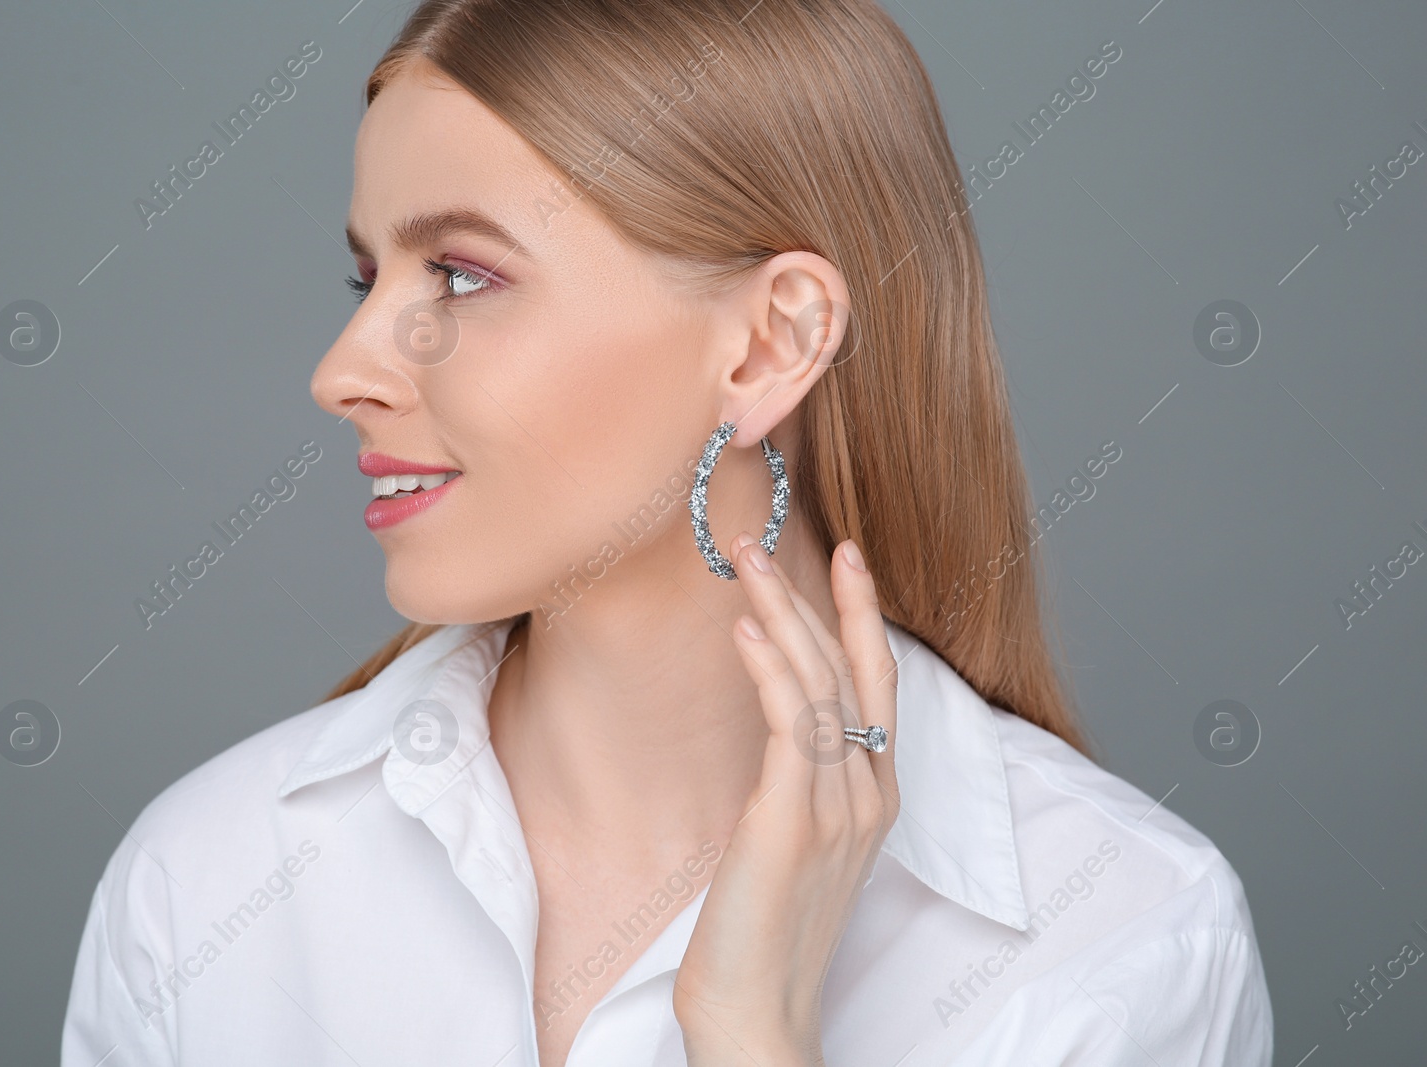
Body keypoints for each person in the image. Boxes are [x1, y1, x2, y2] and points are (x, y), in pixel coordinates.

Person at [62, 1, 1274, 1063]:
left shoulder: (1124, 937)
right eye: (366, 279)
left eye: (463, 276)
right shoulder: (207, 881)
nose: (342, 372)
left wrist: (752, 1037)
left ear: (768, 345)